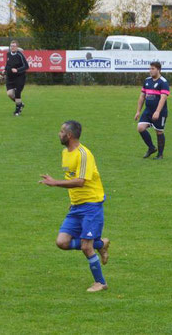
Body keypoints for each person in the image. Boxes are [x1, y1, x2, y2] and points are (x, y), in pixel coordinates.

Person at [39, 120, 111, 292]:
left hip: (91, 206)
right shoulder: (65, 152)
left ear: (69, 135)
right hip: (76, 207)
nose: (59, 133)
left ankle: (100, 282)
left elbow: (80, 182)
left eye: (61, 131)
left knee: (86, 247)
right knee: (62, 242)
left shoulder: (84, 154)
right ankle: (100, 244)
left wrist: (55, 183)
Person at [134, 61, 169, 159]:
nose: (150, 70)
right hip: (148, 111)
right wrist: (138, 111)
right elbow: (142, 96)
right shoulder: (147, 81)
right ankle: (151, 148)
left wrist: (157, 111)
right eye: (150, 68)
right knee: (140, 128)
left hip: (160, 112)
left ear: (158, 70)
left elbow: (163, 98)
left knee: (159, 131)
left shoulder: (163, 82)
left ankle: (160, 155)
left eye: (153, 69)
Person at [3, 40, 29, 116]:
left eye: (14, 46)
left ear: (17, 47)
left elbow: (26, 66)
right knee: (10, 94)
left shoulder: (20, 55)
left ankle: (18, 111)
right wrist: (4, 70)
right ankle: (20, 103)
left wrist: (17, 70)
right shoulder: (8, 54)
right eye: (11, 46)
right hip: (10, 77)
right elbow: (7, 65)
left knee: (17, 93)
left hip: (20, 77)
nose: (12, 47)